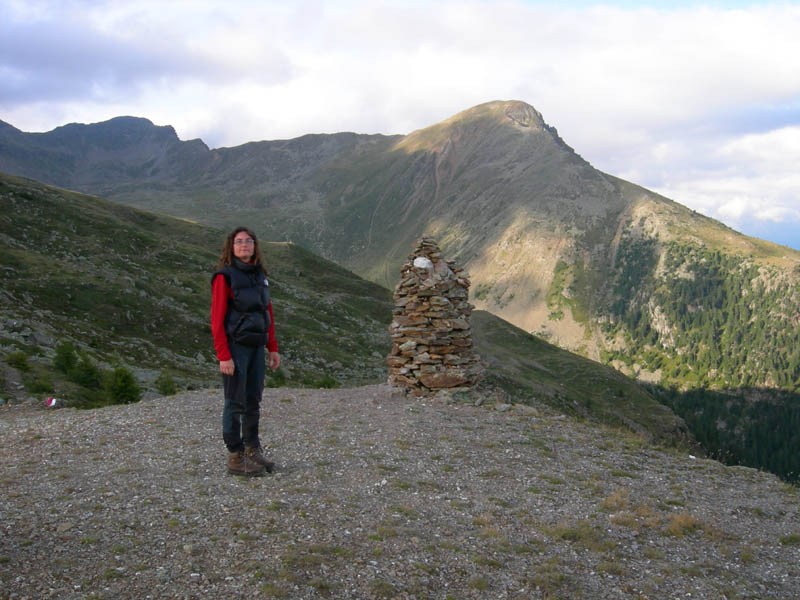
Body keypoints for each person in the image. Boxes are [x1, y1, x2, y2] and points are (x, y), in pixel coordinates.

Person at [210, 226, 280, 476]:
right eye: (239, 241)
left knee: (253, 400)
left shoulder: (259, 275)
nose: (244, 245)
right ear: (231, 247)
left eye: (248, 241)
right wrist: (224, 355)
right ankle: (235, 456)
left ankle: (252, 449)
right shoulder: (224, 277)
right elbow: (217, 319)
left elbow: (266, 311)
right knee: (234, 401)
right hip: (236, 347)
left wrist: (272, 347)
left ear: (254, 246)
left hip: (256, 347)